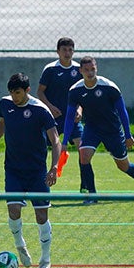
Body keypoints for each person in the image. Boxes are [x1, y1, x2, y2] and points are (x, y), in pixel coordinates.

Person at [0, 72, 62, 268]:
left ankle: (45, 260)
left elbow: (55, 141)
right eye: (11, 92)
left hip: (37, 172)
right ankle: (20, 245)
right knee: (13, 210)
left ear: (26, 90)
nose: (14, 97)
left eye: (17, 92)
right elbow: (2, 124)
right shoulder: (5, 104)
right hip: (13, 169)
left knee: (41, 215)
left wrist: (54, 167)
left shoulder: (40, 110)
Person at [61, 56, 134, 203]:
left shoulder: (109, 87)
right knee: (84, 156)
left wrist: (128, 135)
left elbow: (122, 112)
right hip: (92, 129)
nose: (90, 73)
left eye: (92, 69)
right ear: (80, 71)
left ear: (97, 68)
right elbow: (70, 117)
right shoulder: (75, 91)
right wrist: (64, 141)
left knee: (123, 165)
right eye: (86, 70)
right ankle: (92, 195)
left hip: (112, 130)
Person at [37, 37, 86, 189]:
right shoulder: (51, 69)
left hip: (72, 119)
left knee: (83, 149)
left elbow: (83, 94)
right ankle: (40, 184)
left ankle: (85, 186)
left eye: (70, 50)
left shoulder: (79, 70)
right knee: (42, 150)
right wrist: (50, 107)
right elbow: (40, 92)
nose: (67, 53)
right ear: (58, 51)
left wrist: (79, 109)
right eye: (64, 50)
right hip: (54, 119)